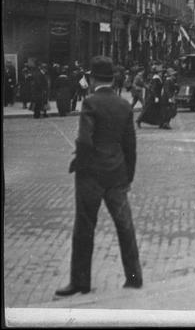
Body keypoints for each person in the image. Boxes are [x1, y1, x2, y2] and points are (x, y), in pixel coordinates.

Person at [55, 56, 142, 297]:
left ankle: (80, 282)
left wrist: (80, 165)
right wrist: (128, 177)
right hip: (117, 175)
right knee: (125, 226)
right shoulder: (125, 106)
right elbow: (130, 147)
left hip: (91, 176)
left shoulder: (90, 103)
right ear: (113, 79)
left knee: (84, 227)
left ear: (92, 79)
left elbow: (84, 140)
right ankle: (134, 277)